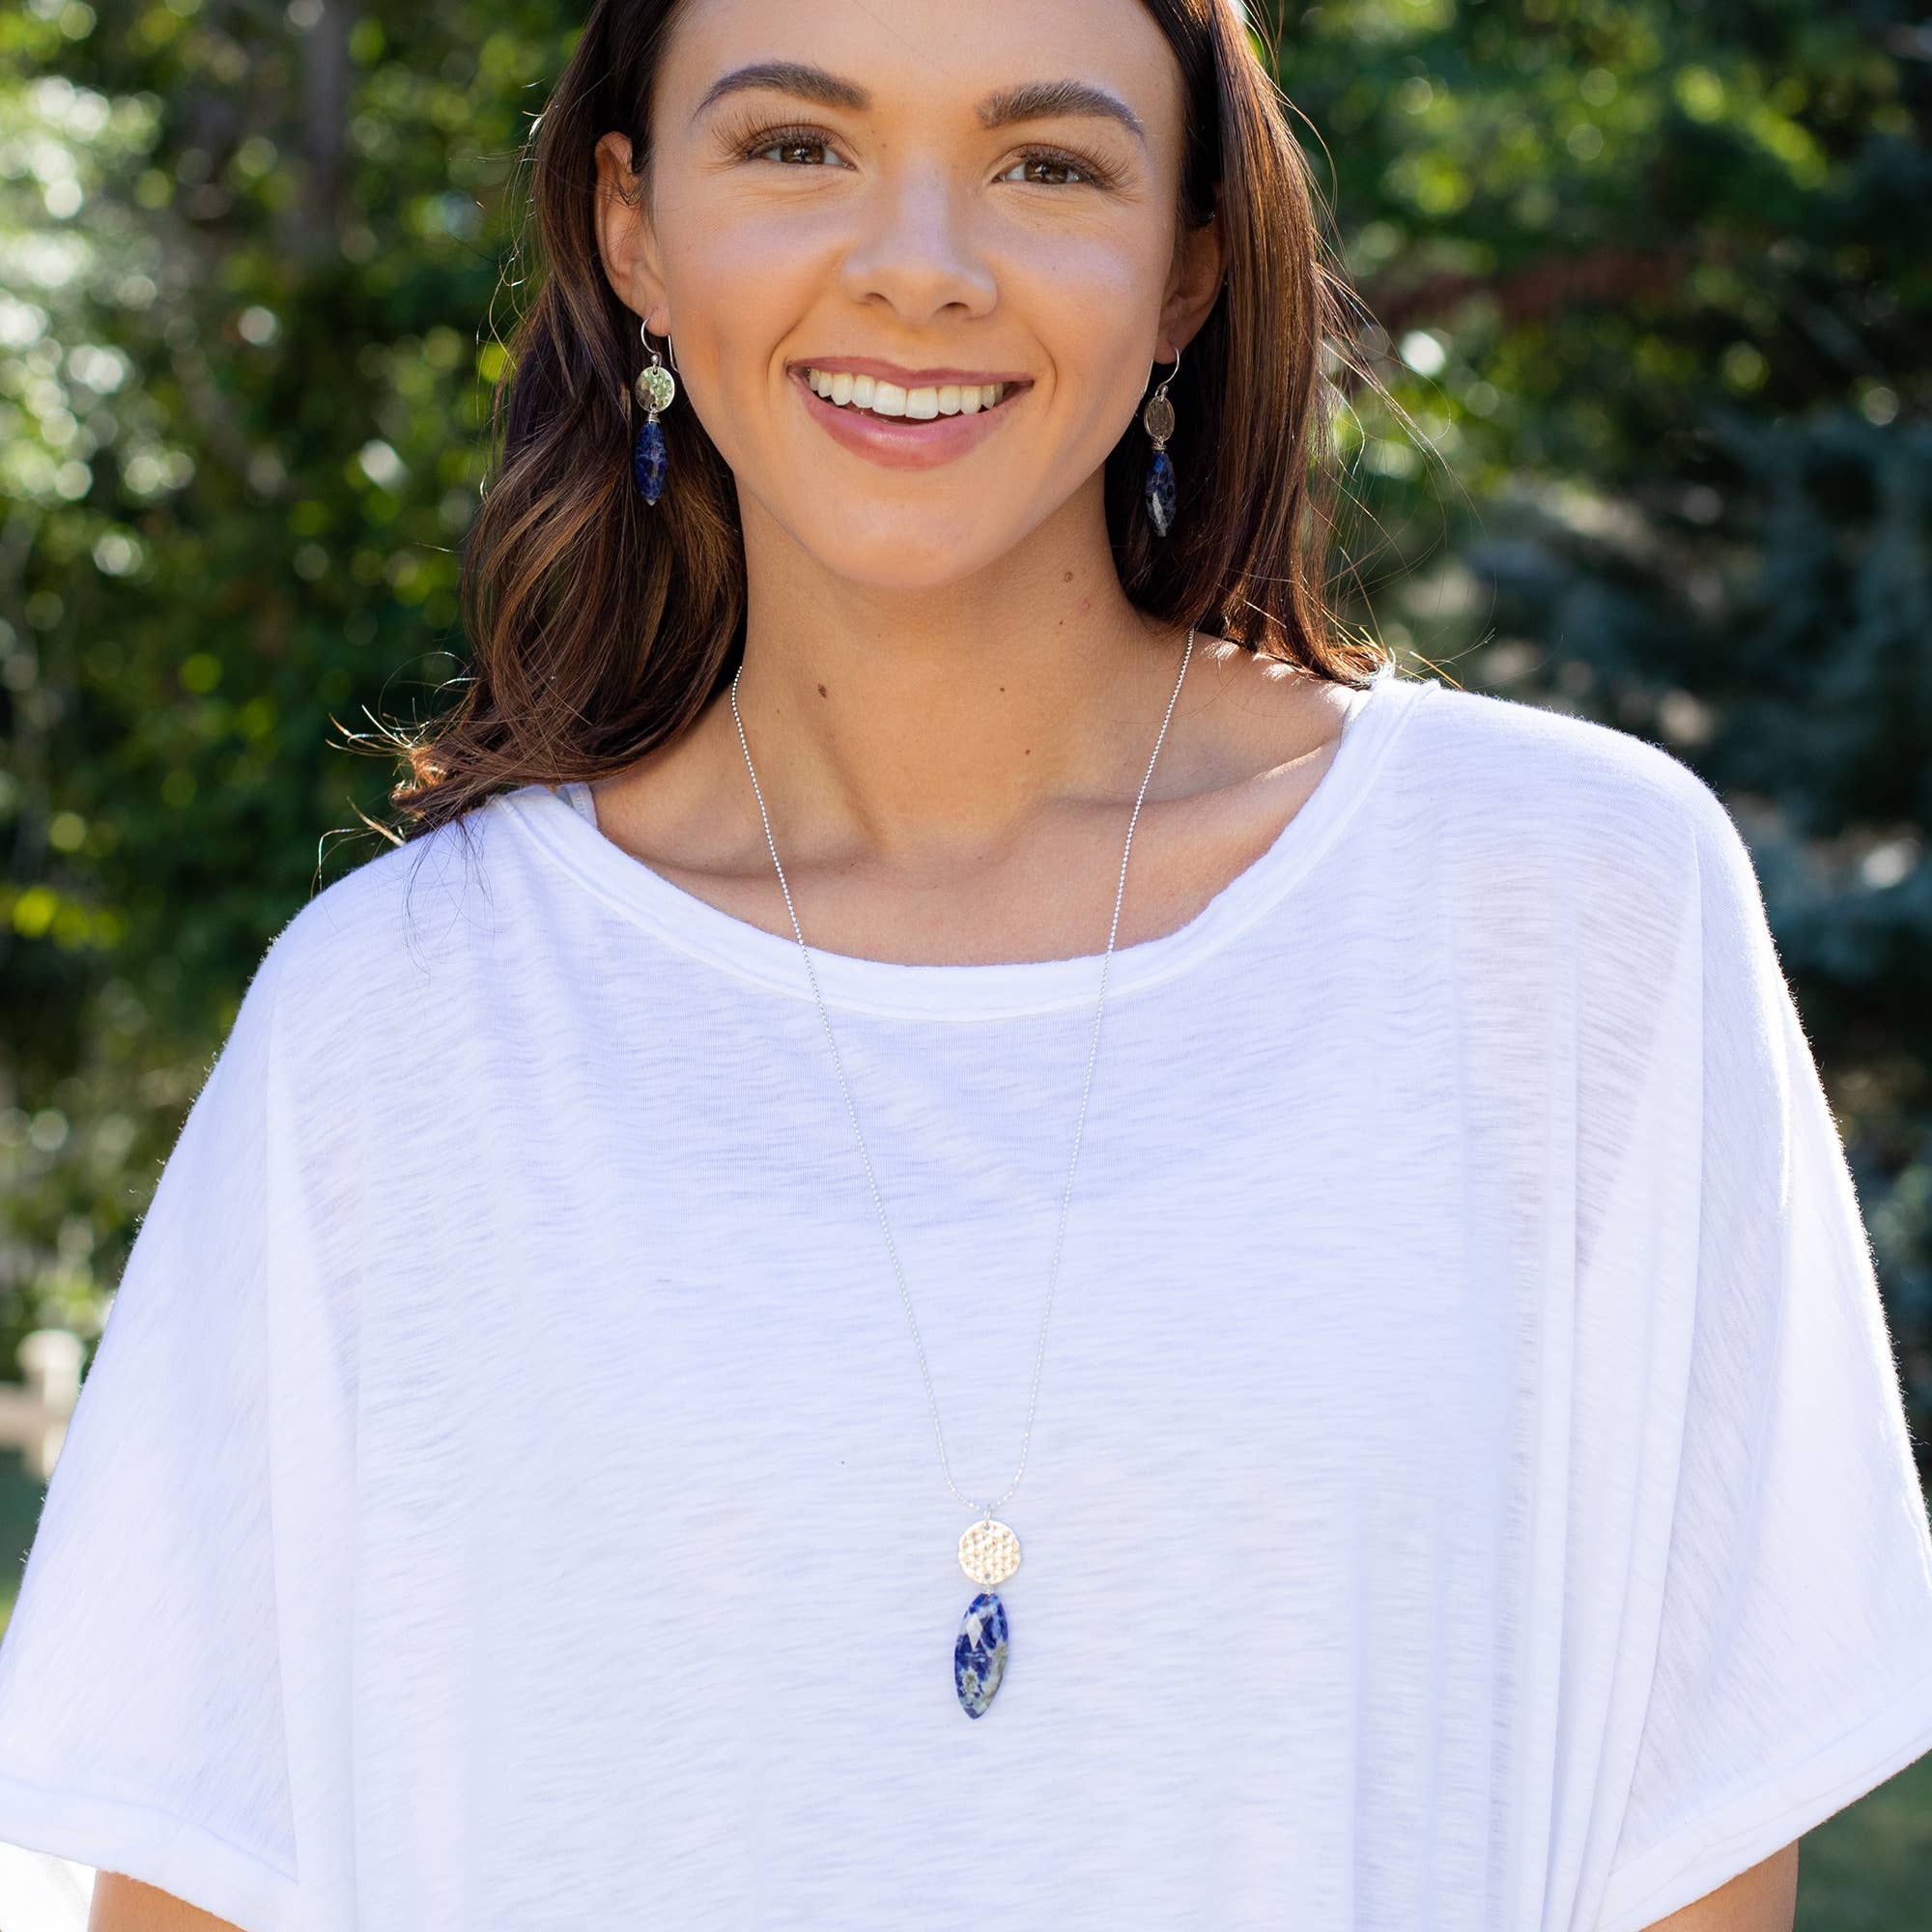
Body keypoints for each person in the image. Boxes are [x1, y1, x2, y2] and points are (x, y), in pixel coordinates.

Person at [2, 1, 1930, 1927]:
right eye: (794, 146)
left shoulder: (1574, 912)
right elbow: (202, 1883)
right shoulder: (392, 1021)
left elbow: (1691, 1853)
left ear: (1185, 262)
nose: (918, 265)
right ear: (632, 225)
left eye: (1046, 164)